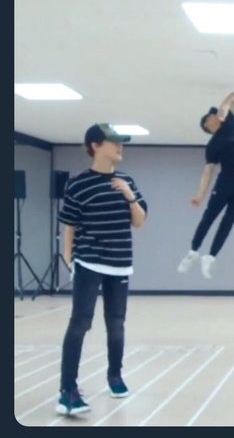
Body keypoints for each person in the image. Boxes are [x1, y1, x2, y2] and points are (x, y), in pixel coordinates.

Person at [55, 123, 147, 415]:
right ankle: (67, 392)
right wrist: (69, 257)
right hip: (89, 260)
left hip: (120, 263)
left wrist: (129, 194)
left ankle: (115, 376)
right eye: (113, 142)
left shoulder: (126, 180)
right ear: (95, 146)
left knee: (116, 324)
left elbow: (139, 221)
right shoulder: (78, 184)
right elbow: (70, 223)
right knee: (81, 323)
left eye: (121, 142)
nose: (120, 147)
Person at [177, 91, 234, 279]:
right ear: (207, 124)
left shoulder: (231, 125)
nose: (216, 115)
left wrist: (225, 104)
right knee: (209, 217)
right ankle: (193, 252)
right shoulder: (212, 145)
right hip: (225, 181)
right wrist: (200, 195)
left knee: (229, 221)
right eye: (212, 116)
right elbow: (208, 171)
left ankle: (210, 257)